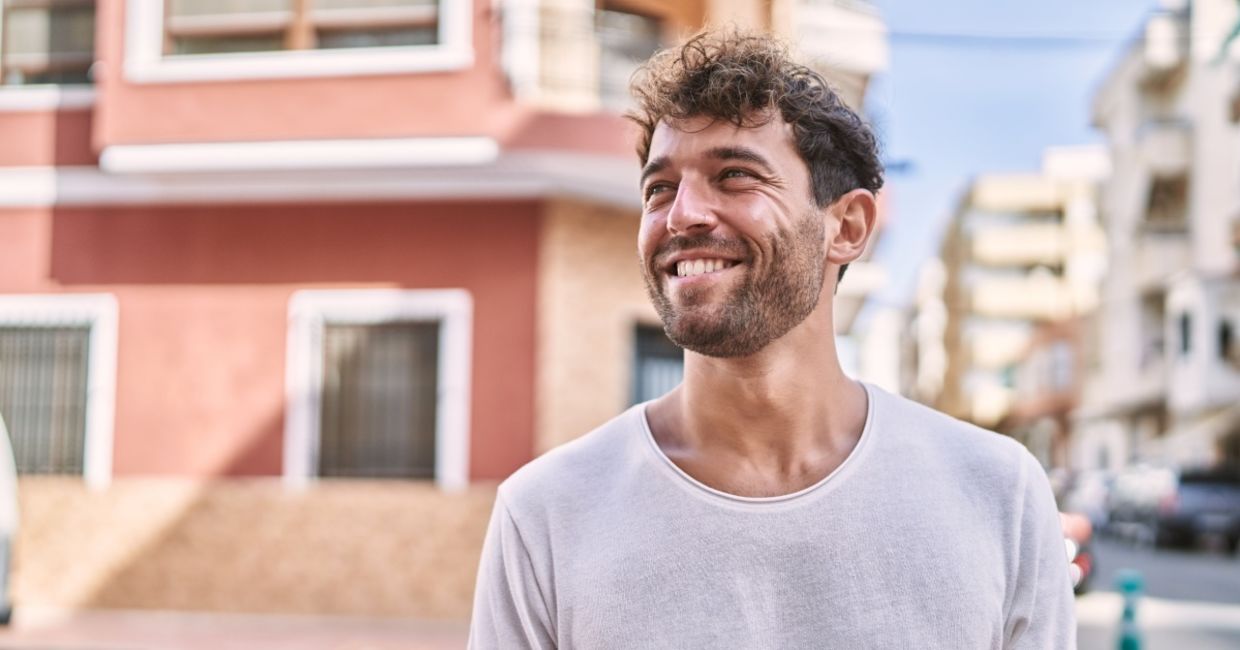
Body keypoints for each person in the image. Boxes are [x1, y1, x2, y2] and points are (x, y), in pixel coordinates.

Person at [469, 29, 1075, 649]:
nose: (682, 215)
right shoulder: (545, 513)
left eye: (734, 175)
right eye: (660, 188)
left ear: (847, 226)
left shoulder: (996, 493)